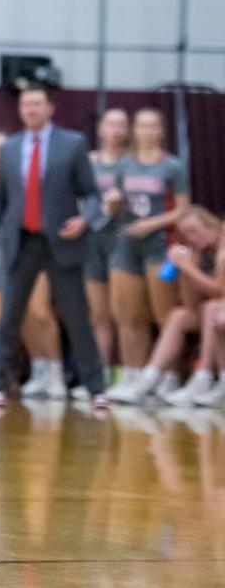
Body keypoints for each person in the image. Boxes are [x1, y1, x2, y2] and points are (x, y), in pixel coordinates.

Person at [0, 84, 108, 409]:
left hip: (61, 239)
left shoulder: (72, 144)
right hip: (21, 241)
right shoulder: (8, 149)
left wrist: (85, 219)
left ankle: (96, 389)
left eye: (36, 104)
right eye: (25, 105)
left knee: (77, 317)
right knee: (9, 316)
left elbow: (91, 194)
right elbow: (0, 199)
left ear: (50, 108)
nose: (30, 110)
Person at [0, 133, 63, 399]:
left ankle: (51, 372)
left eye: (3, 149)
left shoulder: (31, 181)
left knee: (38, 312)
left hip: (32, 251)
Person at [104, 109, 190, 400]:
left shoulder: (173, 167)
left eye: (153, 126)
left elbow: (183, 209)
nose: (147, 131)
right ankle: (133, 374)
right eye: (142, 125)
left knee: (163, 314)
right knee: (129, 315)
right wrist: (113, 203)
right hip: (127, 242)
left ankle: (168, 376)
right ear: (135, 131)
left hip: (159, 243)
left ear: (161, 130)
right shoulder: (125, 164)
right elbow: (115, 207)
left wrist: (151, 224)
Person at [111, 206, 224, 404]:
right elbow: (191, 304)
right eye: (185, 233)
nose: (191, 237)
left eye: (193, 230)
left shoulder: (222, 249)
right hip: (216, 310)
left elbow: (219, 291)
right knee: (180, 315)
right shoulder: (200, 252)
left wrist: (188, 268)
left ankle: (204, 378)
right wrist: (187, 270)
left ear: (212, 226)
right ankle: (148, 379)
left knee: (211, 309)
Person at [84, 109, 131, 382]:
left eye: (121, 123)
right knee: (98, 313)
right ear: (101, 128)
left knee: (122, 312)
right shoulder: (89, 162)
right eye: (111, 123)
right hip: (92, 241)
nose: (116, 128)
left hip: (122, 240)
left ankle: (127, 374)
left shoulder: (132, 163)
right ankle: (99, 376)